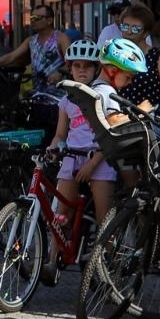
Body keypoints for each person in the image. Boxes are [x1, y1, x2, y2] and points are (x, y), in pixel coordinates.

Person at [48, 40, 115, 232]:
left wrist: (92, 164)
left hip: (99, 157)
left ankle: (104, 259)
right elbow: (60, 134)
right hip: (72, 156)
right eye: (77, 65)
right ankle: (53, 258)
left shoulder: (102, 96)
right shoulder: (66, 101)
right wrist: (52, 149)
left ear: (96, 68)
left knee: (105, 220)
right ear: (70, 68)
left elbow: (110, 135)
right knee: (62, 215)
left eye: (87, 66)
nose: (82, 70)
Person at [115, 3, 160, 122]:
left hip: (150, 127)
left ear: (146, 33)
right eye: (125, 26)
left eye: (135, 28)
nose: (128, 32)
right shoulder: (115, 56)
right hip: (118, 126)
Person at [0, 2, 70, 88]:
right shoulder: (31, 40)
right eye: (32, 17)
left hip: (59, 94)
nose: (33, 21)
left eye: (37, 18)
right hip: (37, 93)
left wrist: (60, 72)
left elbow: (71, 62)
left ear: (49, 20)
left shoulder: (61, 38)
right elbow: (12, 56)